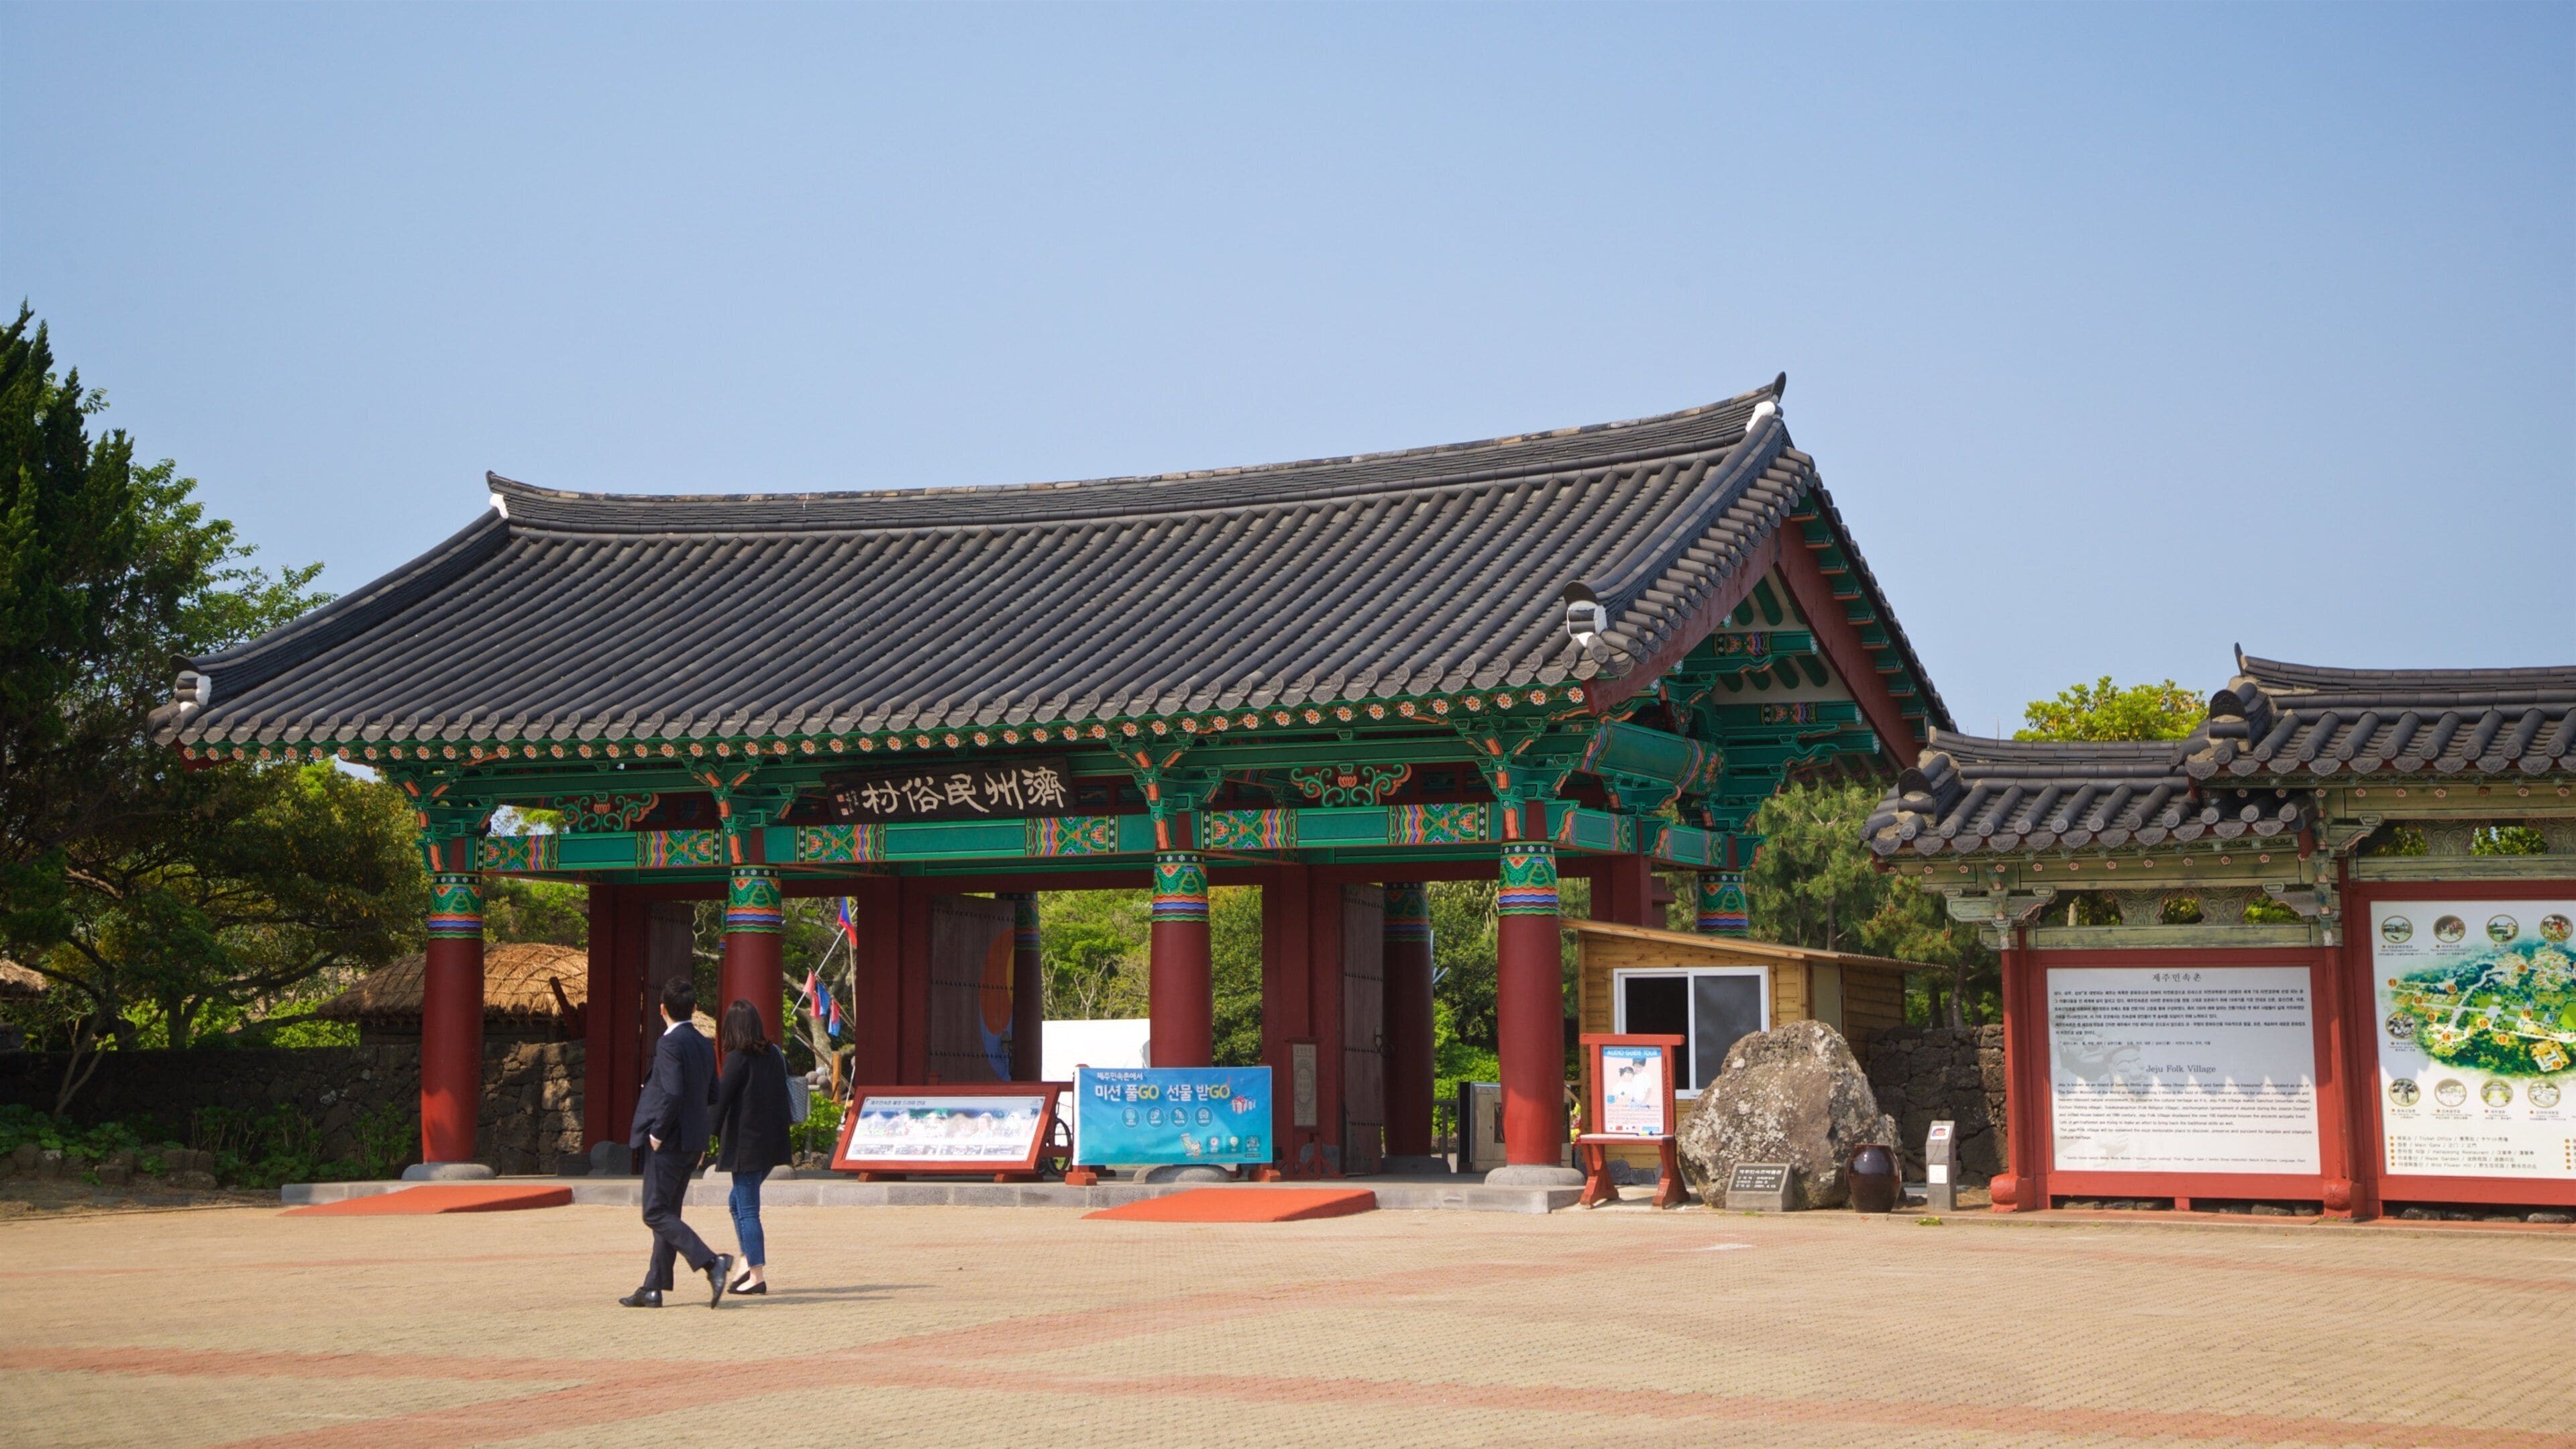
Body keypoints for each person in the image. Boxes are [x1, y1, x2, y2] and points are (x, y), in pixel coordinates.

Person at [620, 978, 732, 1309]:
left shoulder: (669, 1045)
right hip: (692, 1141)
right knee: (668, 1213)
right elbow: (713, 1093)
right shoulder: (703, 1042)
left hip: (667, 1141)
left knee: (655, 1213)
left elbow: (671, 1092)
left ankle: (712, 1262)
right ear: (695, 1009)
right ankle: (653, 1288)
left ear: (662, 1010)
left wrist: (657, 1132)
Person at [711, 998, 794, 1295]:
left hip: (747, 1145)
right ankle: (747, 1263)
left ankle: (756, 1275)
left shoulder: (737, 1058)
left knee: (747, 1210)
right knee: (737, 1203)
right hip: (772, 1144)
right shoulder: (774, 1054)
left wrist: (705, 1133)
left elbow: (721, 1100)